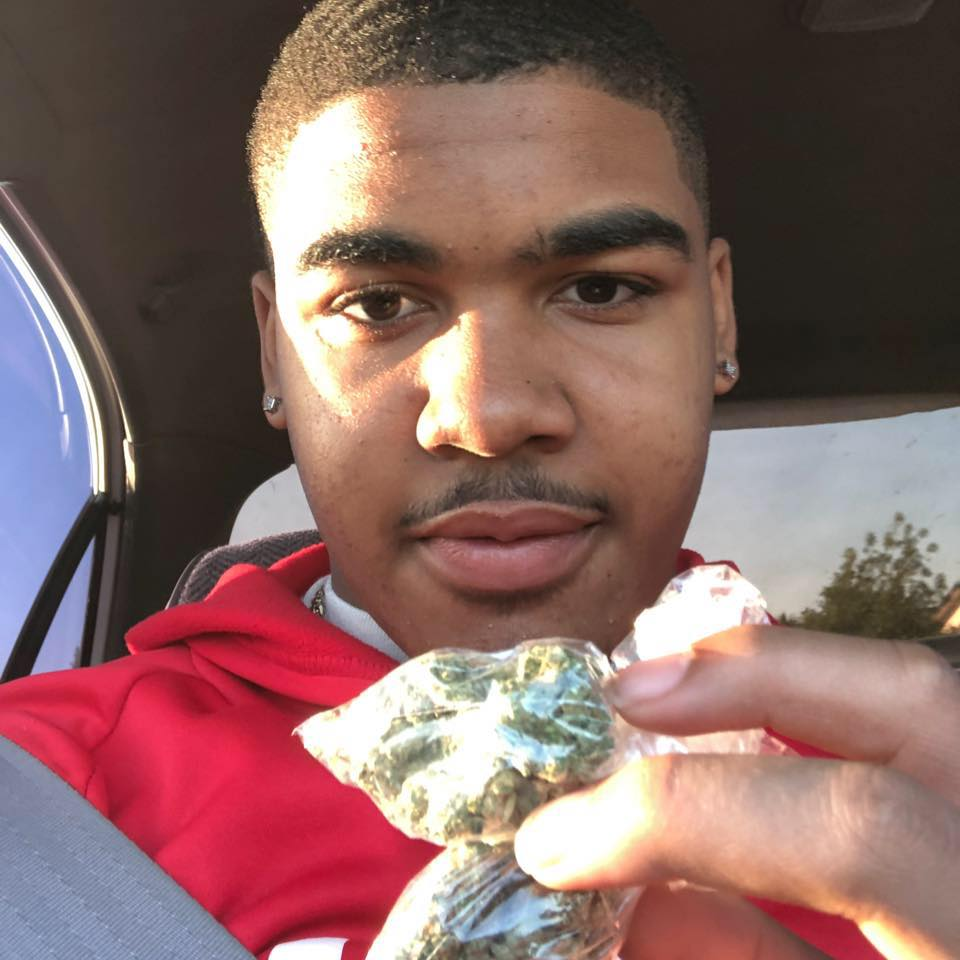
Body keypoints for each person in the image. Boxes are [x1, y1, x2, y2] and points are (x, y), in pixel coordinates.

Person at [2, 1, 958, 958]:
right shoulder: (39, 803)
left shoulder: (924, 785)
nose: (489, 417)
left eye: (600, 288)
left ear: (719, 317)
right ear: (273, 351)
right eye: (377, 303)